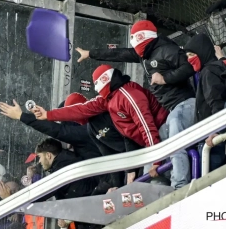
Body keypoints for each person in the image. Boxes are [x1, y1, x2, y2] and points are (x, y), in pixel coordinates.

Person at [74, 20, 196, 189]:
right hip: (170, 111)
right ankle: (157, 192)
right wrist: (91, 53)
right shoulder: (143, 56)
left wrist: (165, 78)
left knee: (174, 138)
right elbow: (119, 54)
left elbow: (189, 68)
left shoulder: (167, 49)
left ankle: (180, 185)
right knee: (155, 150)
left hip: (185, 104)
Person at [33, 65, 169, 185]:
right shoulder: (106, 101)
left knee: (160, 176)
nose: (96, 89)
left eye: (97, 83)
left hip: (161, 132)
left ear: (105, 81)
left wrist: (155, 160)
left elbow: (146, 128)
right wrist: (48, 115)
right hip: (146, 147)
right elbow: (79, 110)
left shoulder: (129, 96)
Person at [184, 33, 226, 171]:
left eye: (190, 55)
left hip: (213, 140)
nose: (188, 60)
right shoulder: (217, 68)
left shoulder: (209, 72)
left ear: (201, 52)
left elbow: (216, 103)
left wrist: (217, 131)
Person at [0, 99, 101, 160]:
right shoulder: (98, 125)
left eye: (64, 119)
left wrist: (21, 116)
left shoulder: (85, 133)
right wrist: (44, 117)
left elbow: (57, 130)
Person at [32, 138, 99, 229]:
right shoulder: (66, 162)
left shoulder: (62, 170)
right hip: (91, 214)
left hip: (93, 216)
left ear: (48, 155)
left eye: (39, 157)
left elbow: (42, 194)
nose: (39, 161)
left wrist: (13, 199)